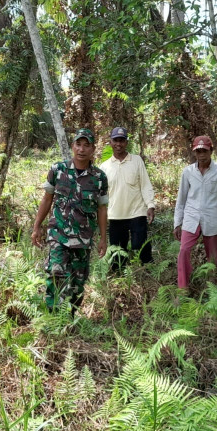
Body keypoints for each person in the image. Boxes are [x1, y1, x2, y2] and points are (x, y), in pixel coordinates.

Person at [31, 128, 108, 313]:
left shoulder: (99, 178)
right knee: (56, 274)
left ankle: (70, 317)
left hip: (83, 237)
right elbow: (47, 199)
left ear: (93, 149)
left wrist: (103, 238)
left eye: (86, 145)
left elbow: (102, 208)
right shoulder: (58, 170)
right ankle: (53, 317)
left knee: (78, 281)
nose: (81, 149)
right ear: (73, 146)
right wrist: (37, 227)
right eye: (78, 144)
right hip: (59, 233)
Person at [173, 136, 217, 289]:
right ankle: (183, 288)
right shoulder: (188, 172)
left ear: (211, 151)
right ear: (194, 153)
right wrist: (177, 223)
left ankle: (213, 289)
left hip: (211, 219)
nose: (202, 155)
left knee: (213, 257)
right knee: (184, 251)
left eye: (205, 151)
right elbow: (181, 200)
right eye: (198, 151)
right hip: (191, 218)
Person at [99, 127, 155, 269]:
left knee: (140, 245)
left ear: (126, 142)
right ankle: (119, 278)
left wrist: (150, 205)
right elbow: (102, 195)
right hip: (115, 214)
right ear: (110, 142)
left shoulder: (136, 161)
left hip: (137, 212)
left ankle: (149, 270)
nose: (119, 144)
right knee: (118, 254)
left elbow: (145, 184)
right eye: (115, 140)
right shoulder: (104, 167)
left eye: (122, 140)